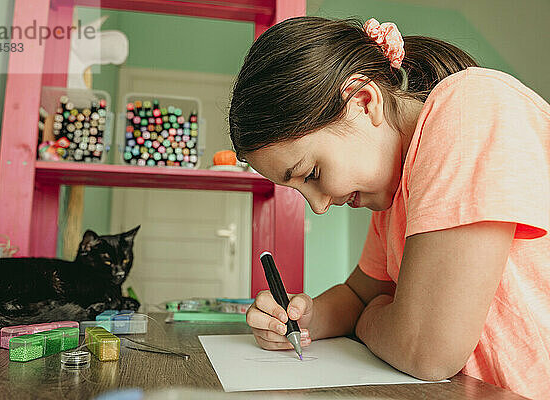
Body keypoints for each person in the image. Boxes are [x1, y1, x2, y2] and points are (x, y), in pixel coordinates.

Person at [229, 16, 550, 399]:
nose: (317, 207)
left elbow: (427, 352)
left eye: (312, 173)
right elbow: (361, 294)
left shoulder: (469, 108)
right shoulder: (394, 191)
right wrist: (306, 315)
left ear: (364, 102)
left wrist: (369, 320)